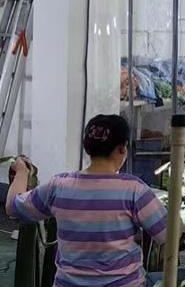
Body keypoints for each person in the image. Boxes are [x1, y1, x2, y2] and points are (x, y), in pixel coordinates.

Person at [6, 114, 169, 286]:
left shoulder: (58, 186)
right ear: (122, 149)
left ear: (87, 148)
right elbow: (168, 235)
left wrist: (22, 172)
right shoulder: (134, 190)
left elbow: (12, 206)